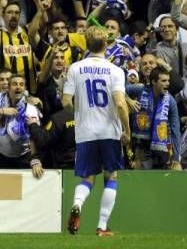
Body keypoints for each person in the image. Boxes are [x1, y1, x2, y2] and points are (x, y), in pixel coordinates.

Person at [62, 26, 130, 236]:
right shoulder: (115, 71)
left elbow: (65, 102)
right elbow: (120, 103)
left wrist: (79, 113)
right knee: (111, 177)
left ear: (86, 44)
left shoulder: (75, 68)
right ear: (106, 45)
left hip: (85, 132)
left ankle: (78, 205)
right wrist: (126, 130)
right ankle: (101, 226)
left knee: (88, 177)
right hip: (109, 132)